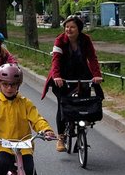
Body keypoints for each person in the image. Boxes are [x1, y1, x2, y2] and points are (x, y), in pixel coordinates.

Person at [41, 13, 104, 152]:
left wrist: (96, 75)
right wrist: (57, 77)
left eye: (72, 27)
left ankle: (82, 130)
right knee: (63, 105)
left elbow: (92, 58)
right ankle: (61, 137)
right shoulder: (60, 40)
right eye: (66, 27)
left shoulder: (86, 40)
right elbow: (56, 60)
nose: (68, 30)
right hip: (62, 77)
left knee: (86, 103)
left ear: (79, 29)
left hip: (81, 74)